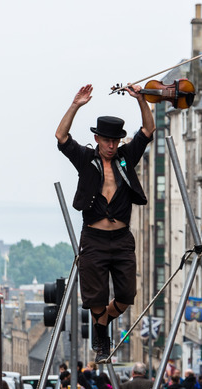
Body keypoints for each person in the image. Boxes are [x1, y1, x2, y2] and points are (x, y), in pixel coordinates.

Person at [56, 83, 155, 362]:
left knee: (126, 295)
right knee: (94, 298)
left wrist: (141, 100)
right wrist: (75, 104)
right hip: (95, 238)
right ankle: (102, 337)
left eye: (116, 141)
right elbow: (61, 136)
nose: (111, 146)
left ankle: (102, 324)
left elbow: (148, 130)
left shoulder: (126, 159)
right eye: (107, 140)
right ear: (98, 138)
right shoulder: (86, 159)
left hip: (122, 239)